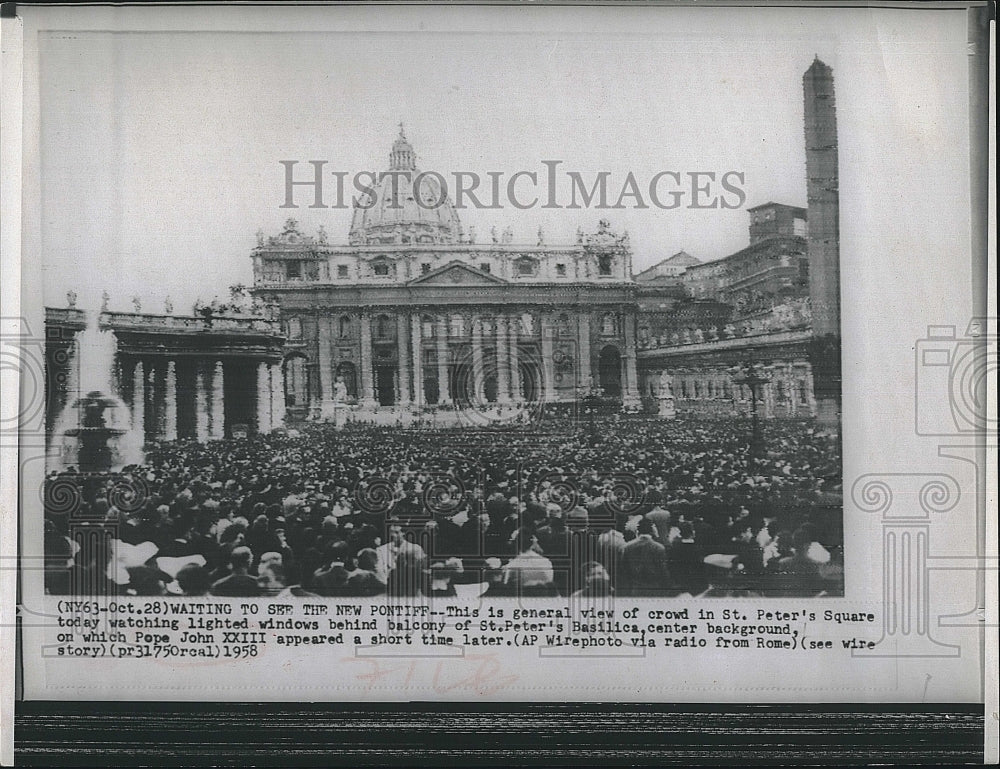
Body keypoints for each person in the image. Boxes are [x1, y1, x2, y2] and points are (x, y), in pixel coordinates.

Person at [617, 517, 670, 596]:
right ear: (652, 531)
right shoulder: (659, 548)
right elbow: (663, 570)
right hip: (654, 587)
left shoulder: (627, 547)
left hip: (636, 587)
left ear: (638, 531)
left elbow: (624, 568)